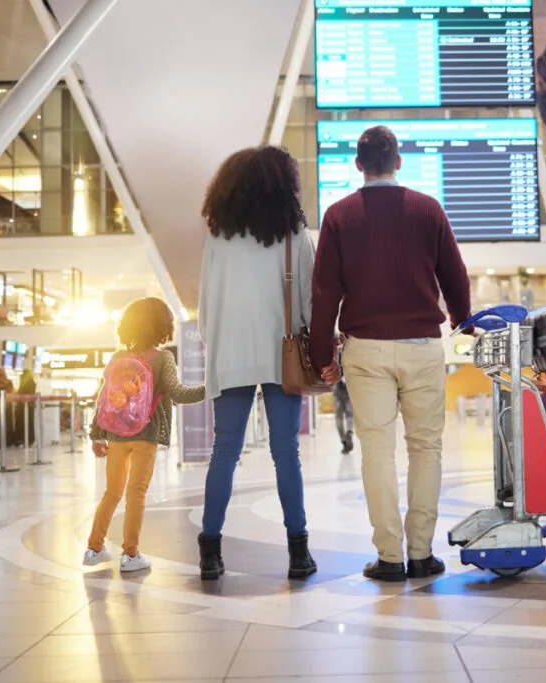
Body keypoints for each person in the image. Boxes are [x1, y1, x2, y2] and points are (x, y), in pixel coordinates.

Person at [310, 125, 472, 582]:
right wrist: (463, 322)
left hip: (366, 352)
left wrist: (323, 352)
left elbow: (324, 293)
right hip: (423, 348)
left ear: (358, 165)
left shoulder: (339, 216)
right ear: (398, 161)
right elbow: (454, 277)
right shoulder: (427, 209)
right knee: (426, 449)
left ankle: (388, 558)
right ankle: (421, 554)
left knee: (377, 453)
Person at [197, 145, 323, 581]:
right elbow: (308, 302)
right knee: (286, 453)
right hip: (281, 356)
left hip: (230, 355)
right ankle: (298, 552)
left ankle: (210, 553)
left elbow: (206, 305)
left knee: (224, 451)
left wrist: (215, 347)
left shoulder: (217, 236)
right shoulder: (295, 235)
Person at [84, 297, 205, 573]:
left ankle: (93, 548)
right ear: (163, 326)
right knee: (136, 493)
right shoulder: (163, 358)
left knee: (112, 492)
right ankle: (130, 554)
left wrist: (96, 435)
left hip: (115, 435)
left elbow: (103, 400)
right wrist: (209, 389)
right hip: (145, 434)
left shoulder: (117, 358)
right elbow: (177, 394)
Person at [333, 379, 354, 454]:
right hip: (340, 390)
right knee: (342, 419)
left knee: (346, 416)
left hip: (347, 390)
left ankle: (347, 437)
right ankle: (346, 437)